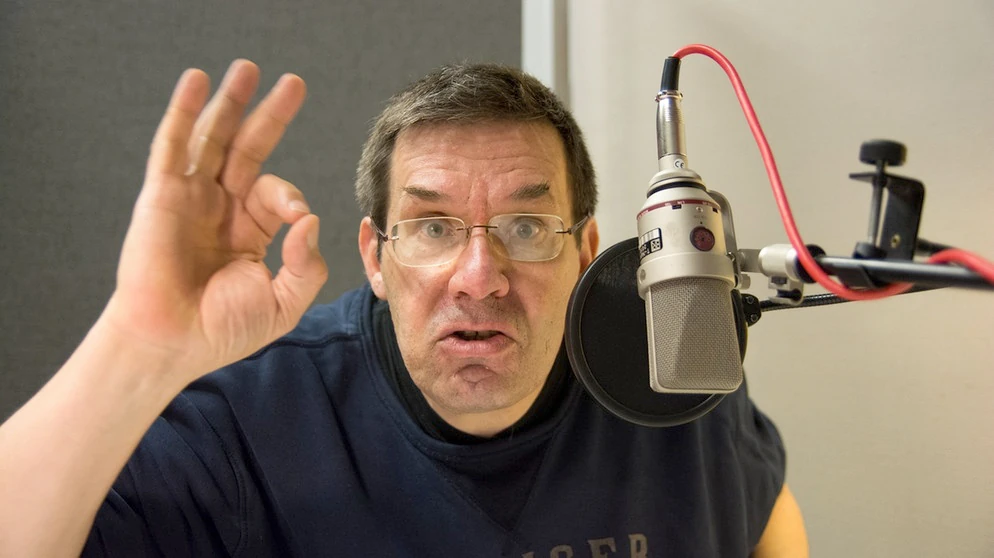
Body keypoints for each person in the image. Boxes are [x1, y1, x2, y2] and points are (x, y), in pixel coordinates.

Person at [0, 60, 808, 556]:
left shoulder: (667, 369)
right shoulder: (248, 423)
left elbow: (767, 515)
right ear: (374, 255)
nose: (480, 277)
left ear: (586, 252)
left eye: (527, 227)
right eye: (432, 228)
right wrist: (136, 342)